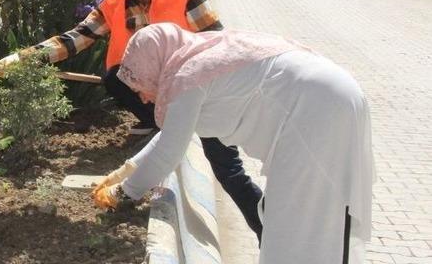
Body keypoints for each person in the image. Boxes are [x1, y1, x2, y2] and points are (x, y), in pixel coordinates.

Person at [0, 0, 264, 239]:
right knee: (115, 75)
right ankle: (159, 125)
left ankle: (270, 233)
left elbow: (219, 45)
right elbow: (73, 40)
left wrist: (204, 106)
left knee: (228, 170)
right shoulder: (113, 6)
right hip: (163, 100)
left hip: (203, 96)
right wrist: (22, 58)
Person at [94, 23, 375, 264]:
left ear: (155, 64)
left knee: (297, 224)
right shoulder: (200, 55)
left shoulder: (186, 76)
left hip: (315, 111)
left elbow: (168, 152)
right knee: (319, 217)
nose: (142, 97)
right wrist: (124, 171)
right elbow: (170, 138)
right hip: (330, 97)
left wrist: (123, 193)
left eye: (140, 82)